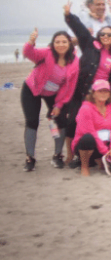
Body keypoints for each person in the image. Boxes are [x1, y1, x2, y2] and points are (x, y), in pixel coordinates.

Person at [63, 1, 111, 165]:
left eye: (109, 35)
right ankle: (71, 155)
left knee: (98, 125)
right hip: (84, 91)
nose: (106, 37)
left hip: (102, 94)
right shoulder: (90, 46)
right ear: (99, 36)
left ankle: (97, 155)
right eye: (103, 35)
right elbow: (80, 31)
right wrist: (69, 16)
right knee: (73, 122)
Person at [21, 28, 79, 171]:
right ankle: (30, 158)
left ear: (70, 44)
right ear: (53, 44)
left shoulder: (74, 62)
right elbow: (29, 53)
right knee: (32, 121)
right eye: (57, 42)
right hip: (32, 88)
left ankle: (57, 155)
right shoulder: (47, 52)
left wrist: (59, 105)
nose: (61, 44)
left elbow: (69, 87)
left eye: (64, 42)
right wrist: (31, 42)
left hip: (54, 94)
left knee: (59, 121)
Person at [72, 80, 111, 177]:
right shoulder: (86, 109)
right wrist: (106, 152)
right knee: (88, 139)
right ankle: (84, 166)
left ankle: (103, 160)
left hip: (107, 142)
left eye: (106, 91)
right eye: (100, 91)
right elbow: (91, 132)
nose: (103, 93)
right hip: (89, 144)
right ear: (93, 94)